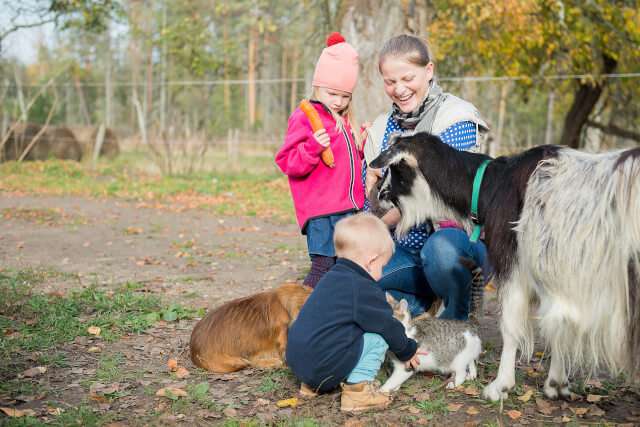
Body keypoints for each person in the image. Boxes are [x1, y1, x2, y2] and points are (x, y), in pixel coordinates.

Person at [363, 34, 489, 320]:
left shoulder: (455, 118)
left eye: (408, 78)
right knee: (356, 275)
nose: (399, 89)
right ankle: (420, 305)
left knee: (441, 253)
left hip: (454, 241)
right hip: (404, 249)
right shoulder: (382, 127)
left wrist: (375, 227)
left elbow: (431, 194)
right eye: (390, 81)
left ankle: (458, 313)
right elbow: (367, 187)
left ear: (428, 71)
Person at [286, 213, 420, 412]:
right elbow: (387, 325)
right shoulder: (363, 288)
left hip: (299, 363)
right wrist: (408, 349)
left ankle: (311, 386)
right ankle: (358, 394)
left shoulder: (330, 278)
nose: (381, 273)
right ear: (371, 261)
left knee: (333, 330)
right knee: (378, 338)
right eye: (382, 266)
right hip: (322, 367)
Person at [275, 32, 365, 289]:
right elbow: (288, 162)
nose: (338, 101)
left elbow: (344, 163)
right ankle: (302, 314)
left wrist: (361, 146)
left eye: (345, 96)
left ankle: (332, 316)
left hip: (346, 209)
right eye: (332, 93)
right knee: (323, 267)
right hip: (322, 212)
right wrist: (313, 147)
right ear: (318, 86)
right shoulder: (306, 116)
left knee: (344, 267)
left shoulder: (344, 118)